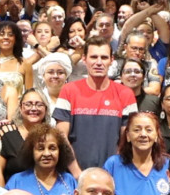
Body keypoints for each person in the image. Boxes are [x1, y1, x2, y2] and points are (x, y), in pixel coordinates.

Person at [54, 38, 136, 171]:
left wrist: (112, 171)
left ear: (111, 60)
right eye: (93, 57)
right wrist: (76, 173)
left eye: (104, 57)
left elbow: (126, 140)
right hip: (73, 174)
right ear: (84, 59)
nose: (99, 62)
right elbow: (61, 136)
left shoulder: (126, 94)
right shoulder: (68, 90)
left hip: (112, 174)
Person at [103, 110, 170, 195]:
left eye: (149, 130)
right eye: (137, 130)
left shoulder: (169, 164)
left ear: (156, 136)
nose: (143, 134)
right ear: (128, 136)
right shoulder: (113, 165)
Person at [5, 126, 78, 195]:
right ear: (31, 152)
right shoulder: (17, 181)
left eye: (52, 148)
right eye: (40, 148)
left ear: (60, 151)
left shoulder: (69, 180)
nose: (46, 153)